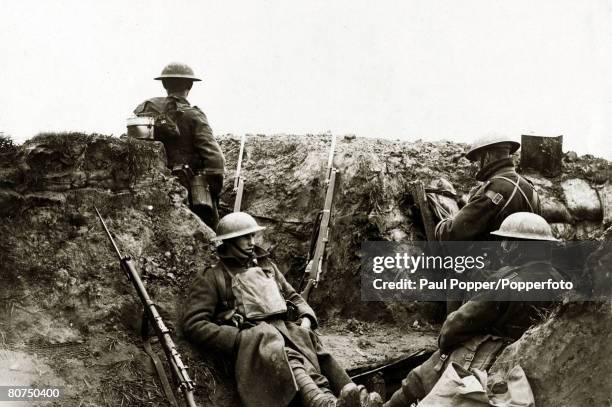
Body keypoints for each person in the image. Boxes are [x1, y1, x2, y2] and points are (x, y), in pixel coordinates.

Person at [183, 212, 382, 407]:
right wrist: (237, 339)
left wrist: (306, 319)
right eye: (245, 237)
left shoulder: (267, 267)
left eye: (253, 235)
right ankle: (324, 403)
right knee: (288, 356)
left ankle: (354, 398)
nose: (252, 241)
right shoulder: (213, 277)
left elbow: (293, 296)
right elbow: (194, 323)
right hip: (254, 342)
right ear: (230, 241)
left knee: (313, 346)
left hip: (284, 330)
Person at [384, 213, 564, 407]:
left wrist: (445, 342)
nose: (503, 248)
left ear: (518, 246)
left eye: (506, 242)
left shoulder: (507, 281)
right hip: (526, 361)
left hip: (489, 356)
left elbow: (458, 324)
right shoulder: (559, 281)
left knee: (420, 376)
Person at [133, 62, 225, 229]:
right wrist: (215, 191)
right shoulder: (194, 116)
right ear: (189, 86)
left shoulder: (148, 113)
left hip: (153, 186)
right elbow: (215, 161)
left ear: (164, 84)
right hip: (188, 189)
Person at [435, 134, 540, 241]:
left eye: (477, 159)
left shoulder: (492, 189)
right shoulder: (530, 188)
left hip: (494, 257)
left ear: (487, 156)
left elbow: (451, 233)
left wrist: (443, 223)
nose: (475, 165)